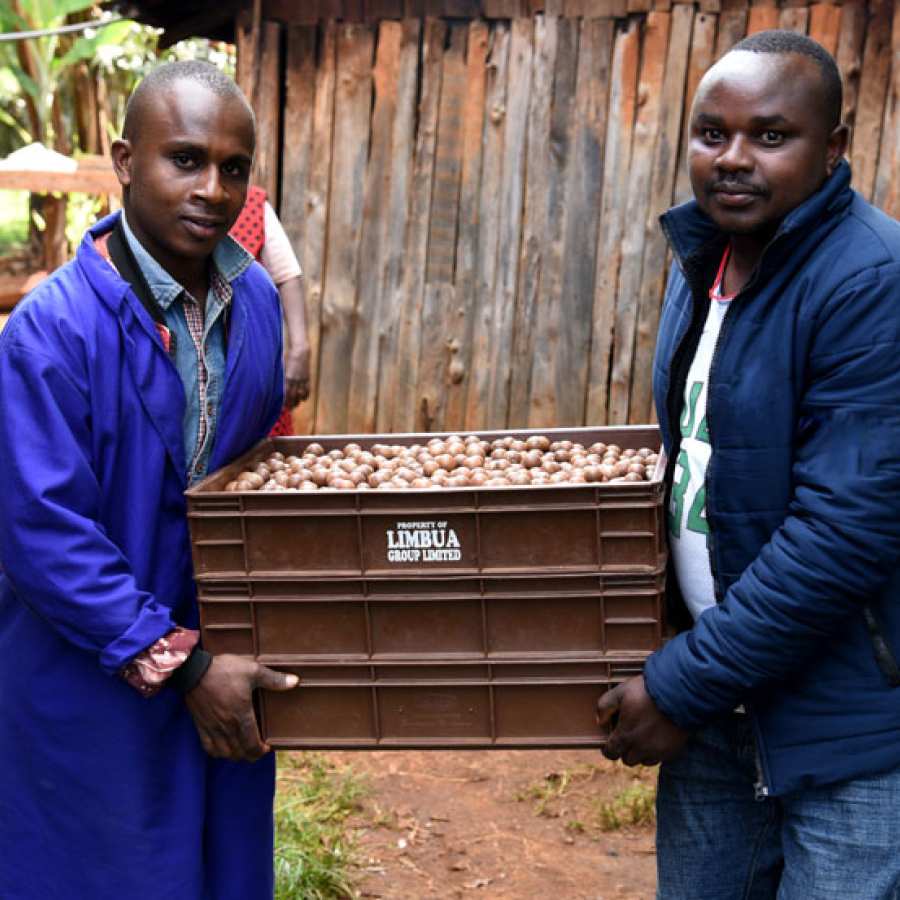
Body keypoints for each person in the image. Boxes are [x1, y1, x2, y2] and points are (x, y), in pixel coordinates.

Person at [596, 30, 900, 899]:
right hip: (720, 710)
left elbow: (844, 533)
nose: (733, 159)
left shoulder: (870, 279)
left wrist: (680, 685)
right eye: (711, 133)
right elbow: (698, 465)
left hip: (843, 726)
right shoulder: (706, 262)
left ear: (833, 149)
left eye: (770, 136)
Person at [0, 60, 300, 899]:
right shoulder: (48, 333)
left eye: (234, 168)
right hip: (86, 672)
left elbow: (249, 481)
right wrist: (181, 664)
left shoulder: (258, 309)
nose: (212, 188)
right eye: (186, 160)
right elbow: (41, 537)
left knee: (220, 869)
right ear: (126, 160)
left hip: (228, 668)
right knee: (103, 869)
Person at [229, 185, 311, 433]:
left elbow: (286, 275)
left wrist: (300, 348)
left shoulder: (252, 207)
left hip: (253, 377)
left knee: (265, 458)